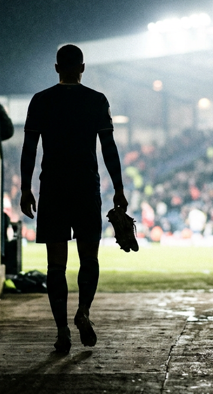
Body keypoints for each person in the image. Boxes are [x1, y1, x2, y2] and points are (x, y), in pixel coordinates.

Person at [20, 44, 128, 353]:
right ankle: (84, 311)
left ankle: (62, 331)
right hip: (85, 187)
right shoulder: (96, 101)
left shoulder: (41, 101)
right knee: (89, 258)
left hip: (52, 187)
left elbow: (29, 148)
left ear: (56, 68)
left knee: (56, 266)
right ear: (82, 68)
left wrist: (26, 188)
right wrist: (118, 187)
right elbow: (108, 147)